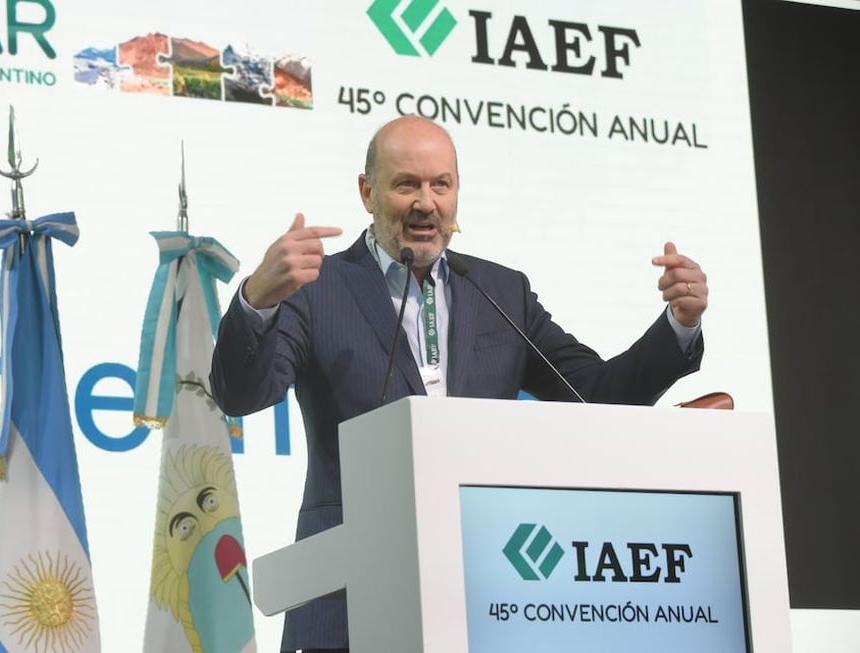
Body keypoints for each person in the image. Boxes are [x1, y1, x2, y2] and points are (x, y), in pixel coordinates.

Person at [209, 116, 708, 652]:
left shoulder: (500, 290)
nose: (426, 203)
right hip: (348, 603)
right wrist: (258, 300)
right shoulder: (319, 287)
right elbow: (242, 393)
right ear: (367, 191)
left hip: (485, 598)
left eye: (440, 185)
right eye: (407, 184)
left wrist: (680, 324)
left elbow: (597, 395)